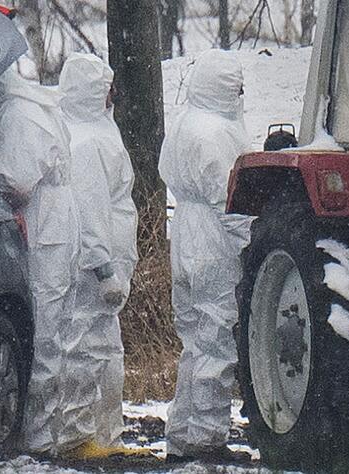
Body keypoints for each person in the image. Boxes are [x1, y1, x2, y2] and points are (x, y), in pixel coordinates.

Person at [0, 65, 94, 456]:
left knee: (42, 332)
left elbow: (13, 180)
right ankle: (41, 433)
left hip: (45, 227)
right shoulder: (31, 107)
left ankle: (36, 438)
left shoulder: (17, 114)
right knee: (50, 332)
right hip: (55, 223)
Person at [158, 50, 253, 461]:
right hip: (213, 239)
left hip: (184, 234)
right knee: (215, 339)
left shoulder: (184, 124)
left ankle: (182, 434)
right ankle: (206, 439)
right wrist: (250, 246)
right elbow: (229, 200)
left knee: (194, 340)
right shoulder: (217, 132)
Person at [58, 53, 139, 450]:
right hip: (95, 271)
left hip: (105, 266)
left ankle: (105, 435)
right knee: (84, 351)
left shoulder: (93, 132)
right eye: (106, 90)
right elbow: (90, 212)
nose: (112, 97)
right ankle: (78, 435)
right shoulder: (88, 142)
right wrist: (104, 267)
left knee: (104, 352)